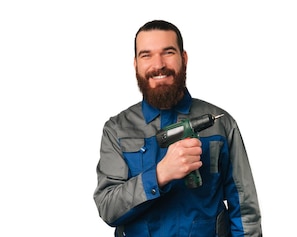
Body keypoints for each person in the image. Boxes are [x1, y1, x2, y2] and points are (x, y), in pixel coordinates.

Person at [93, 19, 262, 237]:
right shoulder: (116, 130)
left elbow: (245, 209)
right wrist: (160, 174)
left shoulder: (221, 124)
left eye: (168, 52)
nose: (159, 64)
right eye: (147, 55)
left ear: (184, 58)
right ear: (136, 64)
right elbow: (109, 209)